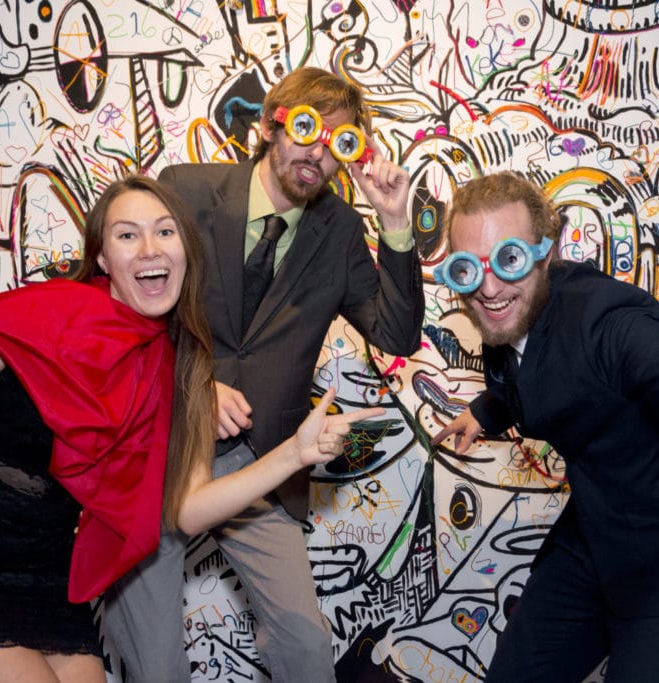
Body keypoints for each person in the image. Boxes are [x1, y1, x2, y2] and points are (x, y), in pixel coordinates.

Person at [0, 174, 384, 683]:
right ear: (103, 257)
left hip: (41, 574)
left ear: (186, 251)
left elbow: (188, 510)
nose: (149, 248)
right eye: (127, 235)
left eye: (165, 231)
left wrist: (292, 455)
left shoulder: (180, 367)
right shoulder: (42, 313)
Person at [104, 67, 425, 681]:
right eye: (305, 128)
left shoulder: (340, 230)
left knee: (306, 648)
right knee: (157, 662)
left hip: (260, 461)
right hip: (157, 448)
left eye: (338, 142)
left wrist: (393, 223)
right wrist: (194, 385)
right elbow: (121, 308)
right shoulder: (185, 191)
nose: (317, 152)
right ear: (269, 127)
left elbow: (396, 336)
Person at [430, 171, 659, 682]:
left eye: (509, 259)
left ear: (544, 254)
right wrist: (483, 412)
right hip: (594, 535)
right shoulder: (511, 314)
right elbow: (527, 377)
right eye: (468, 269)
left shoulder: (605, 320)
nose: (489, 288)